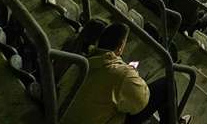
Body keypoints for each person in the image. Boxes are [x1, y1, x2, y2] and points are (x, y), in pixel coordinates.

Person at [63, 22, 192, 124]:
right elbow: (141, 103)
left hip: (68, 117)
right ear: (120, 48)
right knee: (167, 85)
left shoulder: (80, 62)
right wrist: (133, 77)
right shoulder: (122, 73)